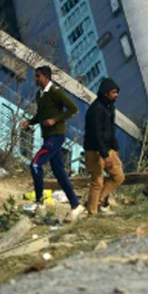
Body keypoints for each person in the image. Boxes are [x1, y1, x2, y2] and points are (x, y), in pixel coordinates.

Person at [20, 66, 84, 222]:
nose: (35, 79)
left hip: (56, 136)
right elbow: (41, 115)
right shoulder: (39, 95)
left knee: (35, 164)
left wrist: (55, 120)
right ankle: (76, 205)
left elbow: (73, 109)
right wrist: (30, 122)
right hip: (47, 136)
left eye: (38, 76)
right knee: (59, 173)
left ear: (46, 77)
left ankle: (39, 203)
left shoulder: (55, 92)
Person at [84, 78, 125, 215]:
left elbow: (111, 129)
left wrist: (115, 147)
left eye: (117, 92)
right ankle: (92, 212)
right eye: (114, 92)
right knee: (97, 182)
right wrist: (105, 155)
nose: (116, 95)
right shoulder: (96, 109)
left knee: (118, 177)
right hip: (95, 151)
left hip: (108, 149)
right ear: (106, 93)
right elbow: (96, 135)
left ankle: (98, 201)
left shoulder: (110, 107)